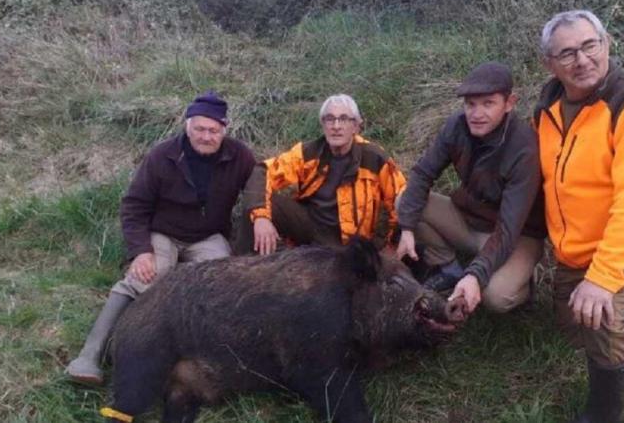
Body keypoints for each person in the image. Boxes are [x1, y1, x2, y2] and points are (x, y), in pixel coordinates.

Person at [534, 10, 624, 422]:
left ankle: (603, 413)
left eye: (590, 45)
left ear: (607, 43)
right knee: (572, 324)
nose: (581, 60)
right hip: (581, 243)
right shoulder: (547, 107)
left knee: (599, 318)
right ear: (550, 63)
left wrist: (601, 279)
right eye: (566, 53)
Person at [65, 91, 256, 384]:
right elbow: (134, 205)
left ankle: (200, 365)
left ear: (224, 129)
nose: (206, 136)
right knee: (142, 279)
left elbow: (260, 184)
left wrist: (264, 216)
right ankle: (89, 356)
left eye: (213, 130)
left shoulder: (239, 155)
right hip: (163, 233)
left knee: (220, 288)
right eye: (200, 129)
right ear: (187, 126)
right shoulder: (162, 155)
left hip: (208, 237)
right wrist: (141, 251)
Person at [396, 61, 546, 316]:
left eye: (488, 103)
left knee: (497, 297)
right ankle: (448, 267)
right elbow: (423, 174)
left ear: (509, 103)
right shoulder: (456, 126)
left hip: (518, 235)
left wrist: (476, 275)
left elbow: (509, 228)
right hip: (469, 219)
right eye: (470, 104)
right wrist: (407, 227)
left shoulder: (524, 148)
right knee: (404, 202)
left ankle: (523, 286)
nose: (476, 113)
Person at [237, 94, 406, 255]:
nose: (336, 126)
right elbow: (264, 171)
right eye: (330, 119)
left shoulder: (374, 158)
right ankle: (245, 267)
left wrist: (390, 243)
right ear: (323, 124)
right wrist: (261, 218)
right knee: (257, 203)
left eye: (344, 119)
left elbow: (401, 198)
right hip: (312, 227)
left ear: (356, 126)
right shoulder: (308, 153)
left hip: (352, 241)